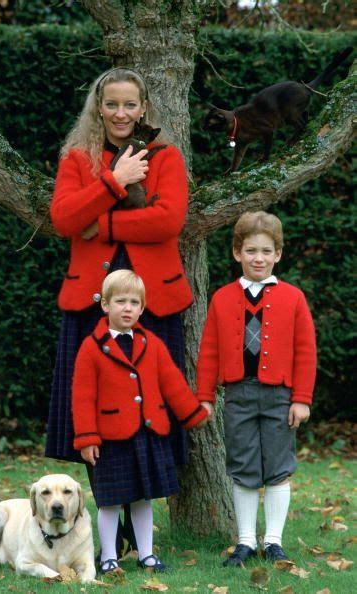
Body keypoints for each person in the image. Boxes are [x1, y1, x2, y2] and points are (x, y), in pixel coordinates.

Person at [45, 66, 196, 551]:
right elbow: (66, 218)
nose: (121, 113)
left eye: (130, 104)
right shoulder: (77, 158)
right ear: (98, 107)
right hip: (91, 303)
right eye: (111, 104)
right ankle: (109, 536)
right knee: (99, 417)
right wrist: (114, 182)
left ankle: (139, 533)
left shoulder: (166, 156)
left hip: (154, 304)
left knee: (150, 414)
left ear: (144, 107)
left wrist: (103, 225)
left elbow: (168, 220)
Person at [196, 211, 317, 566]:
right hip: (238, 395)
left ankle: (274, 541)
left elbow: (306, 351)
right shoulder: (222, 298)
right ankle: (246, 540)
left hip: (281, 396)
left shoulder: (293, 298)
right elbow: (209, 351)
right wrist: (205, 397)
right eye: (251, 251)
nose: (258, 258)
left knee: (278, 466)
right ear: (237, 253)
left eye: (266, 251)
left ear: (278, 254)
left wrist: (302, 399)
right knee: (244, 465)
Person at [72, 270, 209, 573]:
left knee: (143, 498)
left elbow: (172, 382)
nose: (128, 308)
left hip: (147, 434)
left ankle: (146, 554)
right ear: (105, 305)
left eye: (135, 302)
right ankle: (109, 557)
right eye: (120, 301)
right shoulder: (92, 347)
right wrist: (87, 438)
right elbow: (82, 397)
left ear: (142, 308)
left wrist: (192, 413)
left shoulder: (152, 343)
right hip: (110, 439)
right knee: (109, 501)